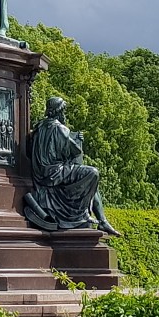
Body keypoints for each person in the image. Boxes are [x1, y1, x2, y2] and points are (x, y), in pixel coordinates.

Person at [23, 96, 121, 236]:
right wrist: (77, 139)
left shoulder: (39, 128)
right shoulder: (60, 129)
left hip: (41, 173)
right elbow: (75, 152)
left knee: (92, 182)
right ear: (60, 111)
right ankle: (85, 215)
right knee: (93, 173)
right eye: (64, 111)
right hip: (55, 173)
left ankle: (102, 220)